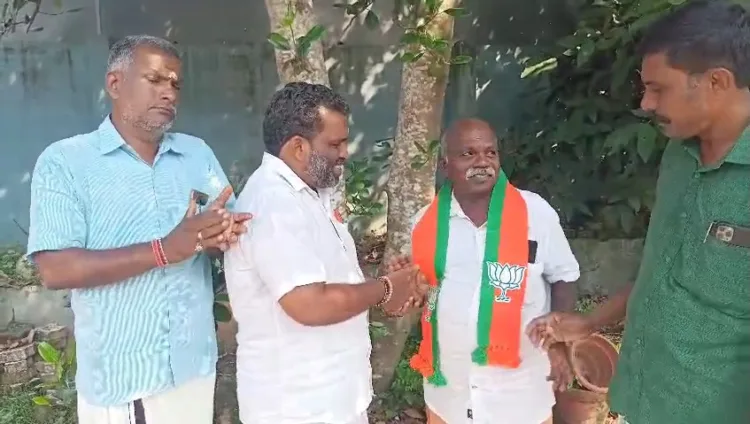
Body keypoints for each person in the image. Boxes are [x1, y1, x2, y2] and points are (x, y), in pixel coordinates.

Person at [526, 2, 750, 423]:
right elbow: (663, 267)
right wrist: (592, 321)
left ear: (717, 81)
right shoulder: (680, 155)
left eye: (659, 89)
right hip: (646, 397)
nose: (646, 103)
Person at [27, 35, 251, 424]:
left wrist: (221, 234)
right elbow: (55, 268)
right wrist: (164, 250)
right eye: (155, 80)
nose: (169, 93)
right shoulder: (66, 162)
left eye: (175, 84)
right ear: (115, 84)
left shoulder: (195, 154)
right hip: (126, 379)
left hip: (194, 365)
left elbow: (219, 234)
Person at [223, 81, 428, 424]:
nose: (345, 152)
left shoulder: (311, 195)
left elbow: (332, 285)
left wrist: (389, 291)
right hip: (296, 407)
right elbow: (309, 303)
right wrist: (385, 288)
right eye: (335, 143)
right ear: (298, 147)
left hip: (334, 398)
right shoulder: (275, 203)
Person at [390, 118, 580, 424]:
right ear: (445, 164)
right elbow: (426, 292)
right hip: (450, 391)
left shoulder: (536, 213)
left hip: (521, 389)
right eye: (468, 154)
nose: (482, 162)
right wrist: (408, 289)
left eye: (490, 153)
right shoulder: (425, 224)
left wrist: (559, 341)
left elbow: (564, 277)